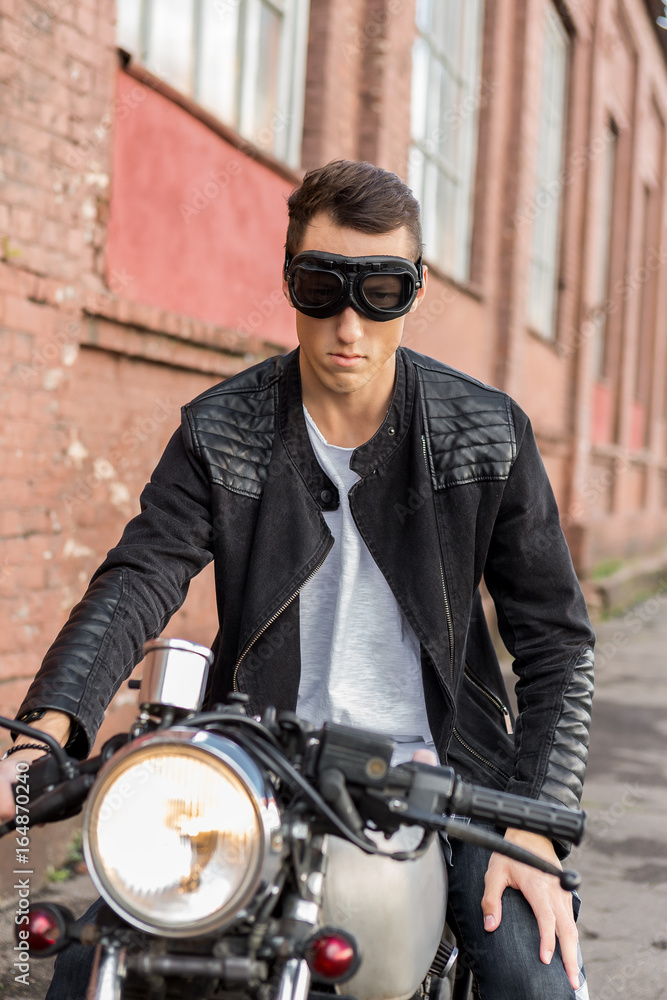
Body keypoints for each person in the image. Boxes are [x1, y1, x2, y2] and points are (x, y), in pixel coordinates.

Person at [0, 160, 594, 999]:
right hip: (257, 767)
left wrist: (532, 831)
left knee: (532, 982)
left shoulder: (486, 435)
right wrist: (42, 734)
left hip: (449, 784)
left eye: (380, 289)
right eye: (323, 285)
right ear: (289, 282)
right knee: (92, 962)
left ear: (413, 293)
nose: (349, 322)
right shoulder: (222, 430)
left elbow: (557, 644)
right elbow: (138, 575)